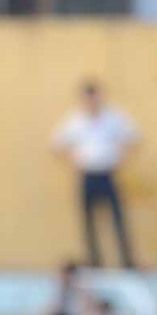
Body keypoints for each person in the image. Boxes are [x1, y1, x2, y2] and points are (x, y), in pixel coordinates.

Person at [51, 81, 138, 269]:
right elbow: (57, 144)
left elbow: (134, 138)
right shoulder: (75, 120)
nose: (92, 101)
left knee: (118, 219)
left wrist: (120, 157)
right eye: (88, 97)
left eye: (94, 96)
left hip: (108, 174)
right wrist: (73, 159)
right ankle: (94, 261)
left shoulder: (114, 117)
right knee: (88, 221)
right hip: (87, 175)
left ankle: (126, 260)